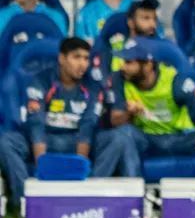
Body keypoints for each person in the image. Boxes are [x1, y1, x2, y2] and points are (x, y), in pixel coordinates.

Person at [0, 38, 120, 205]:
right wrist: (43, 168)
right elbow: (36, 125)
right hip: (45, 139)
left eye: (86, 58)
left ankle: (88, 198)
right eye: (76, 57)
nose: (83, 64)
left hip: (78, 140)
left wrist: (77, 170)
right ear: (62, 59)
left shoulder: (93, 86)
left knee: (117, 139)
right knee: (6, 141)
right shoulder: (41, 81)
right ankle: (27, 201)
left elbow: (88, 126)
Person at [99, 37, 195, 177]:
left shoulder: (176, 81)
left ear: (148, 65)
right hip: (147, 140)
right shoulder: (119, 79)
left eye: (129, 62)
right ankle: (134, 191)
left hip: (178, 138)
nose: (122, 67)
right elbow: (116, 121)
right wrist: (129, 113)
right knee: (123, 133)